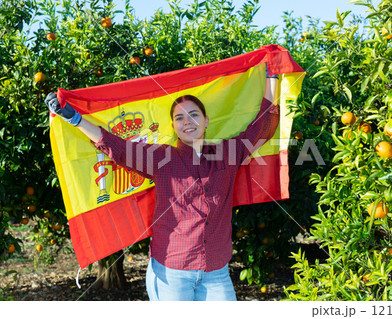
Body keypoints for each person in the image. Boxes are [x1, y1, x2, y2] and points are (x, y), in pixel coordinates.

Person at [45, 65, 280, 301]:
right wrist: (75, 119)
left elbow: (263, 128)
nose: (187, 121)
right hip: (171, 275)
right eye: (180, 117)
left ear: (206, 120)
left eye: (194, 115)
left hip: (216, 274)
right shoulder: (161, 158)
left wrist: (272, 76)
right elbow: (119, 148)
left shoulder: (227, 153)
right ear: (174, 127)